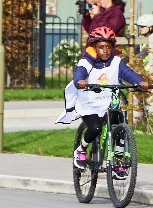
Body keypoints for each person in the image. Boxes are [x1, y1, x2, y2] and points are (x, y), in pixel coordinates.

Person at [59, 26, 148, 175]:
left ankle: (117, 161)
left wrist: (140, 82)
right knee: (96, 128)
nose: (105, 50)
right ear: (94, 47)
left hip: (107, 101)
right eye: (101, 47)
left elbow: (128, 73)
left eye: (108, 47)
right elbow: (79, 74)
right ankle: (81, 149)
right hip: (89, 104)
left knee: (120, 122)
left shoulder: (116, 62)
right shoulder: (87, 61)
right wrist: (80, 80)